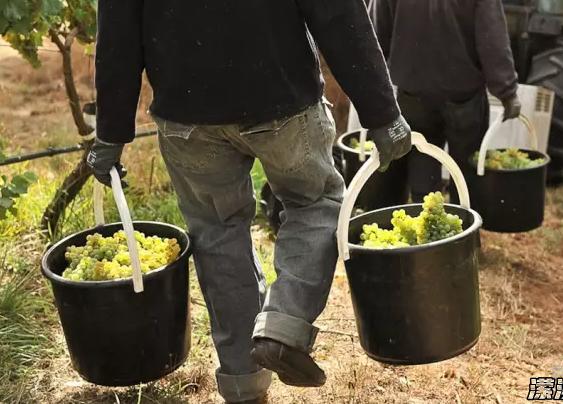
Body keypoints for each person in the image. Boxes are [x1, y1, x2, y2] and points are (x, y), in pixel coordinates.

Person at [86, 1, 413, 403]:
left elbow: (118, 25)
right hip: (281, 99)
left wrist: (110, 134)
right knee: (315, 203)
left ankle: (243, 382)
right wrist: (382, 112)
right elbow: (335, 10)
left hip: (187, 113)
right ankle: (284, 325)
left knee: (217, 234)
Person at [369, 0, 522, 204]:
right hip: (464, 97)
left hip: (414, 94)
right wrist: (507, 92)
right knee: (467, 178)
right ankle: (464, 228)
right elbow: (492, 38)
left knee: (423, 178)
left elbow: (373, 37)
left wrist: (371, 89)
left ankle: (427, 229)